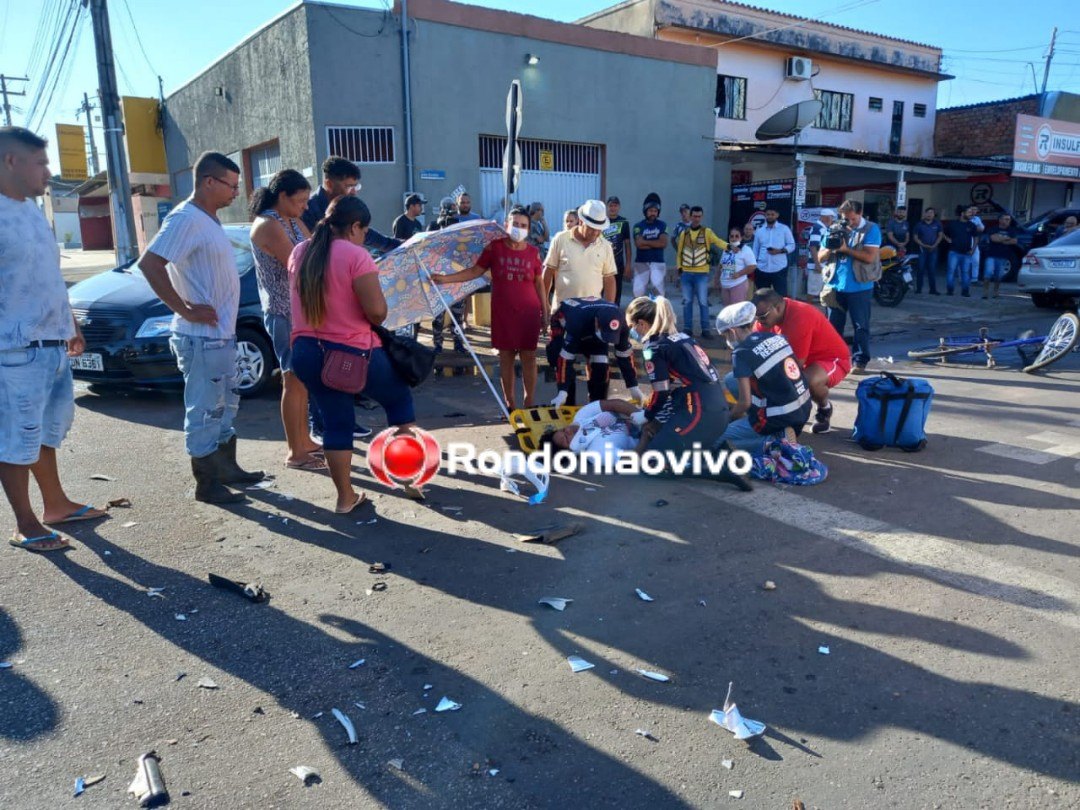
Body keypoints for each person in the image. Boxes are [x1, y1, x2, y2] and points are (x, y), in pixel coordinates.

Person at [0, 126, 105, 552]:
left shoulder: (30, 210)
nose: (49, 171)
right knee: (15, 439)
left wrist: (70, 326)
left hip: (52, 342)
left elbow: (48, 278)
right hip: (14, 349)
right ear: (11, 161)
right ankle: (26, 524)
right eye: (41, 162)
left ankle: (56, 505)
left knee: (47, 430)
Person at [139, 152, 265, 504]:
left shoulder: (208, 220)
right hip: (200, 338)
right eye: (232, 185)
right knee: (205, 408)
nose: (236, 193)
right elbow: (150, 263)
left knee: (225, 406)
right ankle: (207, 484)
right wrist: (184, 308)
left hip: (220, 336)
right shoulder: (186, 218)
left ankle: (226, 469)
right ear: (209, 181)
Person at [289, 195, 421, 510]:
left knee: (336, 422)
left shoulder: (300, 251)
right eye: (364, 231)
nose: (364, 237)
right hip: (351, 353)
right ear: (354, 227)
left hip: (306, 352)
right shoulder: (355, 255)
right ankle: (405, 472)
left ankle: (345, 498)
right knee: (399, 398)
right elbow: (376, 313)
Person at [624, 296, 750, 491]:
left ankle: (721, 470)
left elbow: (662, 392)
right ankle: (717, 452)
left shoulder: (654, 347)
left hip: (698, 413)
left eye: (632, 326)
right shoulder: (682, 338)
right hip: (717, 410)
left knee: (652, 464)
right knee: (672, 444)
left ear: (641, 323)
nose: (632, 331)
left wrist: (647, 415)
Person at [433, 207, 547, 410]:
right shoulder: (494, 248)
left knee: (529, 357)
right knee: (506, 358)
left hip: (529, 313)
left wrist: (545, 312)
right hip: (503, 313)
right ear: (506, 225)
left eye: (523, 226)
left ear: (528, 229)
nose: (518, 228)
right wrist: (444, 279)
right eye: (515, 224)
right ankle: (509, 404)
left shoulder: (533, 253)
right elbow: (475, 271)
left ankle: (529, 402)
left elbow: (539, 284)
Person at [250, 169, 326, 471]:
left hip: (300, 311)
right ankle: (296, 452)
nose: (305, 207)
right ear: (282, 196)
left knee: (301, 379)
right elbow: (300, 263)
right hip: (283, 311)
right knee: (292, 380)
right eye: (300, 201)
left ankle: (304, 440)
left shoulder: (291, 219)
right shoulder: (268, 225)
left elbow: (315, 249)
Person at [715, 301, 812, 452]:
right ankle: (772, 429)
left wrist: (728, 419)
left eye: (725, 335)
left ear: (732, 331)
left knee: (715, 440)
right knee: (730, 379)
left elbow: (744, 403)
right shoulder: (775, 337)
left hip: (778, 416)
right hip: (802, 408)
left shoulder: (741, 353)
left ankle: (774, 442)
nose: (727, 339)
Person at [751, 288, 850, 433]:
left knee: (806, 381)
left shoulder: (800, 317)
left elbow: (794, 367)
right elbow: (752, 347)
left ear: (777, 308)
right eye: (756, 317)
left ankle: (824, 408)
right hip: (801, 359)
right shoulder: (766, 316)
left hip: (832, 359)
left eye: (763, 316)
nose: (759, 321)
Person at [818, 199, 880, 375]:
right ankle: (833, 359)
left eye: (852, 219)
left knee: (861, 326)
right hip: (835, 285)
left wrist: (845, 249)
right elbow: (821, 257)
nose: (848, 222)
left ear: (860, 214)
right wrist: (831, 248)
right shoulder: (836, 227)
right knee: (832, 327)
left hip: (860, 286)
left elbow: (869, 257)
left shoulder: (871, 229)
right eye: (845, 218)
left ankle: (859, 361)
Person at [548, 296, 641, 407]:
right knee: (557, 355)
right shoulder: (576, 321)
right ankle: (567, 401)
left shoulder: (621, 321)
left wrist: (633, 387)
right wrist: (562, 392)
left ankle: (595, 404)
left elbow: (624, 354)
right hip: (570, 321)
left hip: (593, 327)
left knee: (601, 367)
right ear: (597, 322)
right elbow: (565, 360)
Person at [302, 156, 399, 255]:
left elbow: (368, 235)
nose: (354, 192)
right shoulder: (306, 209)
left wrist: (404, 245)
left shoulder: (345, 207)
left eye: (356, 186)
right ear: (329, 184)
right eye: (349, 186)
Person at [543, 199, 617, 308]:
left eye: (599, 229)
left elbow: (609, 279)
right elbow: (548, 271)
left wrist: (609, 308)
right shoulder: (561, 239)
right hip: (562, 311)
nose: (596, 233)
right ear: (581, 222)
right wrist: (544, 303)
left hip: (592, 312)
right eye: (591, 229)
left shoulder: (605, 246)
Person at [675, 206, 727, 337]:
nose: (697, 219)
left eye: (699, 216)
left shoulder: (707, 232)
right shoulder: (684, 233)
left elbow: (719, 242)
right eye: (694, 216)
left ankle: (706, 330)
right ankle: (687, 329)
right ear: (690, 217)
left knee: (703, 302)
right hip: (686, 273)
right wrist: (679, 268)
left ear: (701, 217)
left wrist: (732, 246)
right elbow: (679, 252)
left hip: (701, 274)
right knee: (687, 302)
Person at [540, 399, 641, 462]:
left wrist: (643, 416)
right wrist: (647, 434)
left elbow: (614, 404)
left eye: (562, 430)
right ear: (571, 451)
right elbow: (633, 457)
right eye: (566, 439)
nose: (567, 430)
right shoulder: (595, 454)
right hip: (647, 440)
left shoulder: (581, 416)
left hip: (643, 417)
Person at [427, 198, 466, 354]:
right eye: (450, 208)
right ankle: (437, 343)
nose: (452, 211)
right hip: (438, 275)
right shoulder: (434, 225)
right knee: (438, 316)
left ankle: (458, 343)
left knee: (457, 316)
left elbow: (463, 246)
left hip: (455, 275)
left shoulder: (458, 224)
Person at [632, 193, 668, 297]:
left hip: (658, 262)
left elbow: (663, 243)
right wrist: (655, 243)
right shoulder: (638, 226)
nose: (653, 213)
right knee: (637, 293)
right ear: (645, 211)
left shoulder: (662, 225)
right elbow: (638, 244)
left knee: (659, 293)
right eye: (651, 211)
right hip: (641, 262)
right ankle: (639, 313)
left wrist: (645, 242)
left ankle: (658, 313)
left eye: (655, 211)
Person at [752, 208, 795, 295]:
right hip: (762, 269)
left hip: (779, 268)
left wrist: (780, 251)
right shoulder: (759, 231)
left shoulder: (784, 229)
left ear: (777, 215)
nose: (770, 216)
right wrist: (754, 265)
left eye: (772, 214)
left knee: (781, 297)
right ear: (765, 215)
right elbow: (755, 249)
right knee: (762, 297)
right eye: (768, 214)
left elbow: (792, 245)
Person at [943, 205, 979, 296]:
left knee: (966, 273)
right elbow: (942, 232)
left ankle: (965, 291)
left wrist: (973, 250)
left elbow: (976, 238)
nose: (971, 214)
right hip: (954, 252)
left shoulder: (972, 225)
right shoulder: (952, 224)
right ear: (962, 213)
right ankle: (950, 290)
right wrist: (947, 239)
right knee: (951, 271)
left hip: (967, 253)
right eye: (969, 212)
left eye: (972, 212)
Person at [983, 213, 1021, 299]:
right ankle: (985, 292)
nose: (1008, 221)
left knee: (998, 276)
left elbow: (1014, 241)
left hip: (1003, 256)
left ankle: (996, 292)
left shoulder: (1012, 230)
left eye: (1009, 219)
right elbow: (993, 239)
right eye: (1006, 219)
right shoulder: (993, 229)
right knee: (988, 273)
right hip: (991, 255)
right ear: (1000, 220)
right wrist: (1007, 238)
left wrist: (1001, 239)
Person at [602, 196, 632, 304]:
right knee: (599, 290)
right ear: (607, 206)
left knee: (617, 290)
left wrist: (628, 265)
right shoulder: (601, 221)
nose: (613, 208)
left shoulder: (624, 222)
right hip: (602, 261)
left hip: (618, 262)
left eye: (615, 205)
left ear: (619, 207)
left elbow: (627, 245)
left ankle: (615, 313)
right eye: (610, 205)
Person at [718, 228, 757, 307]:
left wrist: (739, 274)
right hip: (725, 285)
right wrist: (716, 279)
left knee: (737, 312)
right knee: (727, 312)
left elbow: (753, 266)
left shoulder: (746, 249)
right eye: (732, 236)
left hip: (738, 284)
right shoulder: (726, 249)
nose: (734, 238)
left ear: (741, 237)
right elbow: (721, 265)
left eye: (737, 236)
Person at [912, 207, 943, 294]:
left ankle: (933, 290)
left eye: (931, 213)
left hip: (934, 250)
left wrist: (934, 245)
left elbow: (940, 235)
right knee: (920, 269)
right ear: (924, 214)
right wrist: (923, 245)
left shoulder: (937, 224)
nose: (929, 214)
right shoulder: (919, 224)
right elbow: (915, 237)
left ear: (934, 215)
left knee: (932, 270)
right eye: (928, 212)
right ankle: (919, 289)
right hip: (922, 250)